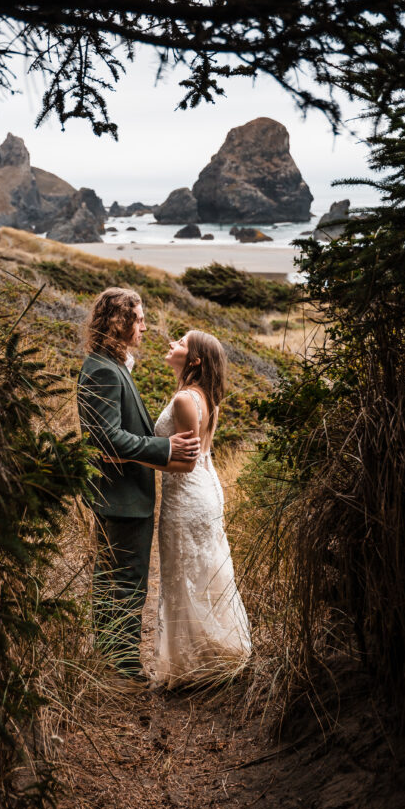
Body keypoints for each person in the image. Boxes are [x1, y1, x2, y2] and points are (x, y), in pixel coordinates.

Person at [76, 288, 201, 678]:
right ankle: (124, 669)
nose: (145, 326)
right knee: (126, 583)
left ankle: (111, 661)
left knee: (115, 580)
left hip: (122, 495)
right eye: (140, 318)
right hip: (121, 497)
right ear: (120, 321)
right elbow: (105, 438)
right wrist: (164, 448)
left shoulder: (113, 366)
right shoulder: (101, 369)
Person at [150, 330, 252, 688]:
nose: (171, 344)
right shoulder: (205, 397)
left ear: (193, 360)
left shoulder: (184, 401)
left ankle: (198, 664)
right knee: (201, 570)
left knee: (183, 573)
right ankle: (210, 655)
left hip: (187, 494)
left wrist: (136, 456)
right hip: (206, 489)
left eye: (180, 341)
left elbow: (185, 463)